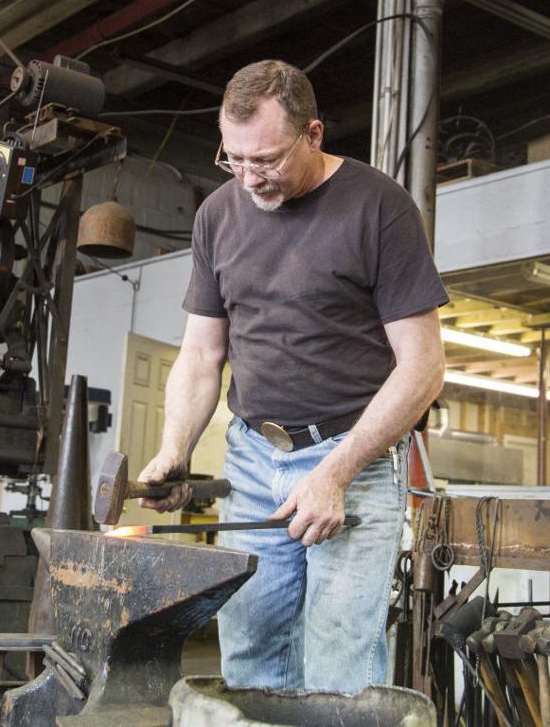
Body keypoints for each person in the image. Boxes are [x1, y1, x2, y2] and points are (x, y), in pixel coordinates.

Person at [138, 59, 446, 694]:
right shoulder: (218, 215)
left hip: (350, 460)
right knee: (250, 653)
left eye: (269, 159)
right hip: (251, 461)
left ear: (314, 133)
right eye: (236, 159)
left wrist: (335, 473)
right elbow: (200, 355)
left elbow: (423, 368)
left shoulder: (379, 208)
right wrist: (175, 451)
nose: (251, 178)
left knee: (339, 666)